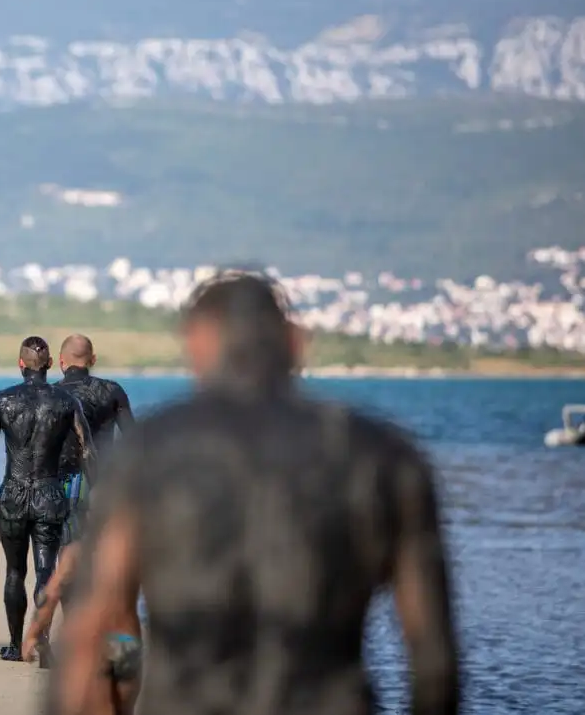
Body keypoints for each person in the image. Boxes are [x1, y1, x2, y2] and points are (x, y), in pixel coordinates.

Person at [51, 271, 460, 715]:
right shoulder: (383, 455)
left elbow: (97, 625)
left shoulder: (149, 456)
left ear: (195, 344)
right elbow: (434, 660)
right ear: (296, 342)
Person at [0, 335, 95, 663]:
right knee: (44, 571)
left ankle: (14, 644)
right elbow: (88, 450)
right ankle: (40, 640)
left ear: (20, 364)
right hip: (49, 495)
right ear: (50, 364)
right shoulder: (66, 402)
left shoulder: (3, 400)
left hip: (12, 494)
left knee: (14, 572)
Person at [23, 540, 140, 715]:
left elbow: (51, 592)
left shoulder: (76, 553)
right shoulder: (134, 549)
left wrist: (33, 633)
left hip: (89, 640)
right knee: (123, 706)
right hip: (125, 641)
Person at [55, 333, 135, 547]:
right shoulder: (112, 390)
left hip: (64, 480)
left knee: (67, 549)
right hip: (103, 479)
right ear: (93, 360)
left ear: (61, 361)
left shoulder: (53, 393)